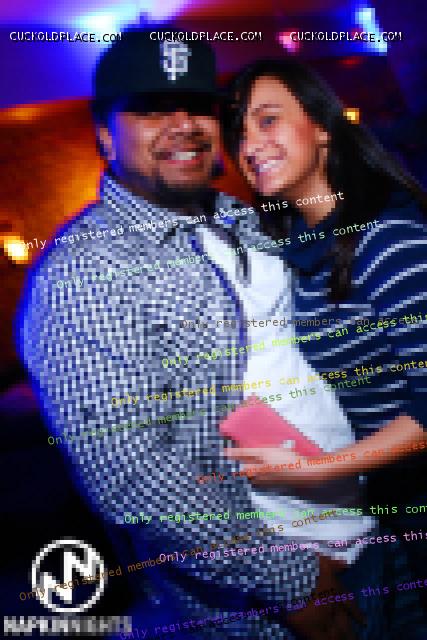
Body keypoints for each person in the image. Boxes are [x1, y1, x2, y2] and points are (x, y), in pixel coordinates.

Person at [16, 31, 361, 640]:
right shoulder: (84, 270)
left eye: (199, 107)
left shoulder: (240, 216)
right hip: (268, 595)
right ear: (104, 134)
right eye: (152, 109)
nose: (184, 126)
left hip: (361, 523)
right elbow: (132, 473)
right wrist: (295, 581)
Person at [222, 57, 427, 638]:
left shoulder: (387, 239)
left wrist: (315, 469)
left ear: (321, 127)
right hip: (388, 505)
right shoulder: (298, 247)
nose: (250, 146)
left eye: (268, 121)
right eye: (240, 132)